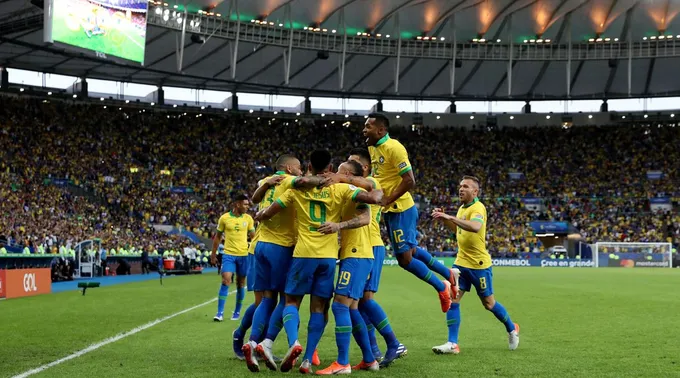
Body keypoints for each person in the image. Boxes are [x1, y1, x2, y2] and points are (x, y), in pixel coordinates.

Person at [253, 149, 383, 373]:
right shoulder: (341, 188)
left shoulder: (296, 188)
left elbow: (268, 211)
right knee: (319, 308)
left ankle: (293, 342)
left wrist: (260, 214)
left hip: (303, 253)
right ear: (331, 170)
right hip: (329, 257)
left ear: (309, 167)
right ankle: (306, 360)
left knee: (290, 301)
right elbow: (374, 196)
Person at [363, 113, 457, 313]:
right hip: (389, 209)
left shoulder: (394, 147)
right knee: (411, 250)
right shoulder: (372, 146)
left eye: (368, 126)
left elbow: (409, 180)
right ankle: (447, 273)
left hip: (400, 208)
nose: (364, 130)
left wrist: (388, 199)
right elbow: (380, 175)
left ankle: (442, 287)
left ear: (381, 130)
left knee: (404, 260)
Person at [321, 148, 407, 367]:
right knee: (354, 305)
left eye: (352, 163)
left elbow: (370, 204)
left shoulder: (371, 183)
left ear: (364, 168)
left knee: (362, 301)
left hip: (370, 245)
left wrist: (341, 177)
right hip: (360, 247)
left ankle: (392, 344)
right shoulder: (354, 187)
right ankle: (372, 354)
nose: (346, 168)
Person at [430, 176, 520, 354]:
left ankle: (512, 328)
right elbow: (459, 229)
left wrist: (450, 217)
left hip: (479, 265)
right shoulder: (462, 208)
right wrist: (445, 219)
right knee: (452, 298)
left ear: (475, 191)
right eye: (460, 186)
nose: (461, 189)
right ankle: (452, 343)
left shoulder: (479, 208)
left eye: (465, 186)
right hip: (461, 262)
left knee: (488, 303)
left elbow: (475, 227)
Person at [314, 160, 379, 375]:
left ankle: (342, 363)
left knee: (340, 306)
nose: (333, 174)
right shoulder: (347, 192)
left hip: (357, 255)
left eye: (339, 171)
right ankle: (369, 359)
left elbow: (366, 217)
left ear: (348, 174)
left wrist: (338, 226)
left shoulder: (354, 190)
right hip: (356, 254)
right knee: (351, 308)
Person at [210, 193, 256, 322]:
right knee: (226, 280)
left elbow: (254, 237)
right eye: (245, 204)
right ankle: (219, 313)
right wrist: (213, 254)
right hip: (229, 254)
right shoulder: (224, 218)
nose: (248, 206)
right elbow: (218, 237)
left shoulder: (248, 219)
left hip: (244, 255)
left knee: (241, 283)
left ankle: (236, 312)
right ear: (237, 204)